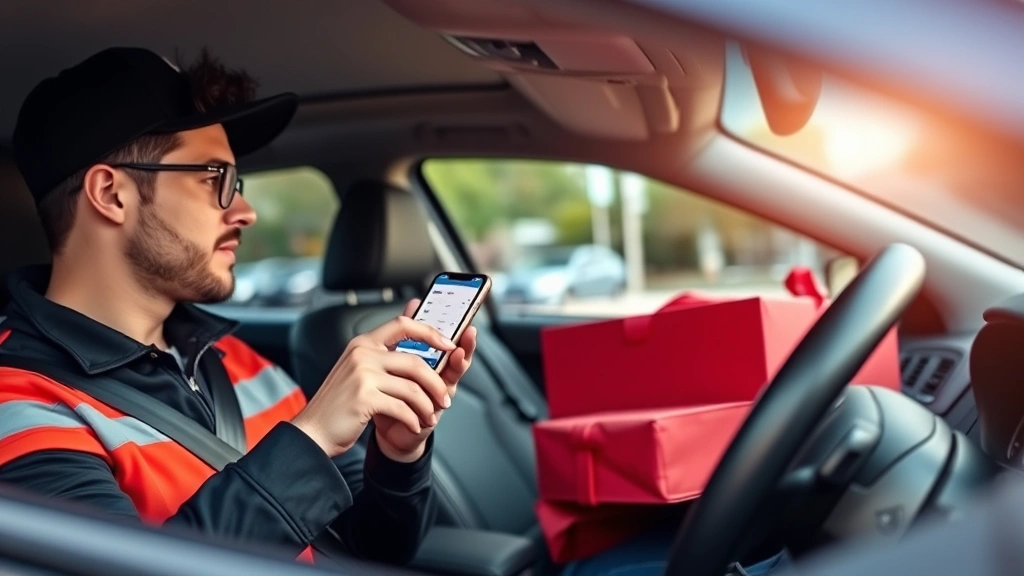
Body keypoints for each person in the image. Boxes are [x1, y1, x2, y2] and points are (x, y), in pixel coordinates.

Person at [0, 46, 477, 566]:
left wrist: (398, 453)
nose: (245, 211)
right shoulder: (20, 406)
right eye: (215, 180)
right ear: (112, 194)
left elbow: (371, 548)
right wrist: (309, 440)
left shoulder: (236, 362)